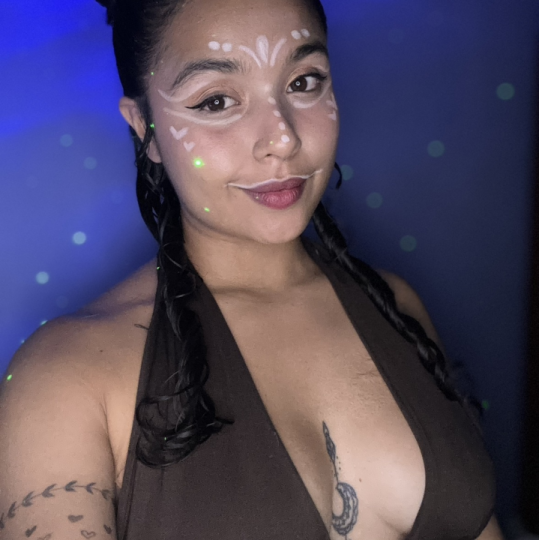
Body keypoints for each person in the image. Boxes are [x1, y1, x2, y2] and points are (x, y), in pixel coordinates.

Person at [0, 0, 505, 538]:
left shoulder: (396, 306)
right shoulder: (63, 380)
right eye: (217, 101)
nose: (283, 138)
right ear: (144, 127)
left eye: (304, 82)